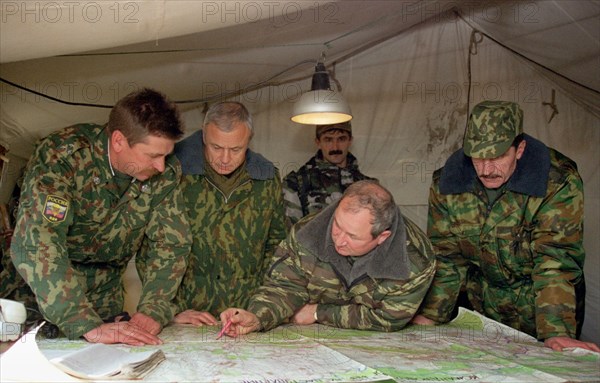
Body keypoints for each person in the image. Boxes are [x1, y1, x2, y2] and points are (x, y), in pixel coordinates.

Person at [6, 88, 192, 346]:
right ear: (118, 141)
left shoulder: (166, 173)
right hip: (39, 302)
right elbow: (38, 241)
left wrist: (154, 308)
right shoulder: (63, 157)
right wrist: (81, 320)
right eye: (153, 156)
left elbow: (169, 244)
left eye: (166, 155)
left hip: (105, 306)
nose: (161, 165)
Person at [413, 100, 600, 352]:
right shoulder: (448, 183)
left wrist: (556, 331)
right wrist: (432, 315)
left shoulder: (556, 182)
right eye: (478, 158)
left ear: (519, 149)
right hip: (484, 312)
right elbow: (448, 258)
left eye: (498, 156)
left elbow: (554, 260)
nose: (487, 169)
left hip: (543, 311)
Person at [219, 180, 436, 336]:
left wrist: (319, 312)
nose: (339, 240)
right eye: (337, 226)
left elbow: (388, 318)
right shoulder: (307, 233)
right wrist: (257, 317)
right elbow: (282, 287)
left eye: (352, 236)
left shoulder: (414, 263)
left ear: (382, 237)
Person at [171, 101, 287, 326]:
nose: (225, 159)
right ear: (204, 136)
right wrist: (169, 310)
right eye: (216, 147)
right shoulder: (174, 171)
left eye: (236, 149)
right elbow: (153, 249)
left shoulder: (266, 178)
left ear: (249, 139)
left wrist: (260, 311)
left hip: (244, 314)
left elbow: (276, 249)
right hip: (187, 314)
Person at [283, 121, 374, 226]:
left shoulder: (367, 186)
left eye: (341, 139)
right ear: (318, 142)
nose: (335, 147)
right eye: (328, 140)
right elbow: (291, 235)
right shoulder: (296, 183)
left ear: (350, 141)